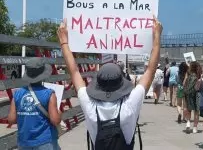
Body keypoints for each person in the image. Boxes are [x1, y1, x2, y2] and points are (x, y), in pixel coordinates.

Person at [56, 17, 162, 149]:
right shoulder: (129, 105)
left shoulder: (89, 104)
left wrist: (64, 42)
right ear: (121, 83)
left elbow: (74, 72)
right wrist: (156, 38)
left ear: (98, 84)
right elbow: (151, 71)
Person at [8, 58, 61, 150]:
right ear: (43, 75)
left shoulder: (17, 93)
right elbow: (55, 120)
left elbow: (11, 119)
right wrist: (59, 112)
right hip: (45, 140)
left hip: (24, 141)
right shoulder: (49, 94)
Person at [184, 61, 201, 134]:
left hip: (188, 93)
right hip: (197, 93)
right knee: (197, 111)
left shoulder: (188, 73)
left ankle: (188, 123)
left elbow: (184, 83)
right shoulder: (199, 74)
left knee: (189, 109)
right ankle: (195, 128)